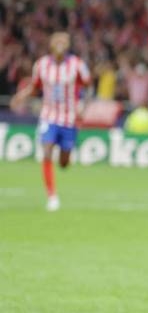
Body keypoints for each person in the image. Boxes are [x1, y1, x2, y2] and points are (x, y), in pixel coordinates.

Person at [11, 31, 91, 211]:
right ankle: (52, 196)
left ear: (68, 45)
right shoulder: (41, 65)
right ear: (51, 44)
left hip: (70, 118)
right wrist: (21, 96)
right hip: (49, 116)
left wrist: (83, 106)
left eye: (64, 41)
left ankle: (66, 155)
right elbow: (35, 87)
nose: (61, 43)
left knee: (63, 162)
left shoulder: (77, 65)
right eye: (58, 41)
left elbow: (88, 86)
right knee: (46, 151)